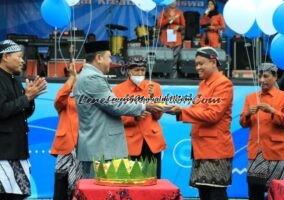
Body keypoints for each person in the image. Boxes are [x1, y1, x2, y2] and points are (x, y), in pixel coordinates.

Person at [73, 41, 162, 178]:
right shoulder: (92, 78)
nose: (111, 62)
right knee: (99, 192)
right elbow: (114, 105)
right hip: (100, 147)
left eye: (142, 70)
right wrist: (144, 106)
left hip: (101, 147)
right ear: (99, 58)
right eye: (109, 57)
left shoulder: (88, 76)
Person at [168, 47, 234, 200]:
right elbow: (198, 110)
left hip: (216, 150)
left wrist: (182, 111)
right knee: (204, 194)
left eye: (200, 64)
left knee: (216, 194)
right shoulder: (204, 84)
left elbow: (213, 115)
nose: (197, 67)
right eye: (196, 64)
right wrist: (174, 110)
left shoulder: (224, 84)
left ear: (213, 62)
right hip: (201, 148)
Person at [240, 63, 284, 200]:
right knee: (254, 194)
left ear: (275, 77)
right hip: (255, 153)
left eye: (265, 76)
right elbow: (242, 123)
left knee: (277, 194)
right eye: (259, 76)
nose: (261, 80)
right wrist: (247, 114)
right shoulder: (250, 97)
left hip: (275, 153)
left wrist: (272, 111)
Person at [0, 40, 47, 199]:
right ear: (6, 56)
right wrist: (27, 96)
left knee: (19, 196)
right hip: (4, 154)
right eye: (19, 57)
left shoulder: (14, 79)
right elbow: (2, 110)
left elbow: (21, 113)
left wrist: (30, 98)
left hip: (17, 150)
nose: (22, 61)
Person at [113, 56, 166, 178]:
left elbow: (158, 116)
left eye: (142, 70)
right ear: (128, 71)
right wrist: (134, 116)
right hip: (130, 143)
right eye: (136, 70)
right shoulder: (117, 90)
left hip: (152, 142)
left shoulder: (155, 87)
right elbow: (116, 116)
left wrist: (154, 99)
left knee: (153, 182)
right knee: (131, 182)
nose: (140, 73)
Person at [50, 63, 82, 200]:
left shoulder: (92, 97)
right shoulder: (65, 99)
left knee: (81, 190)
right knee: (61, 191)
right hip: (65, 148)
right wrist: (71, 78)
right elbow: (58, 99)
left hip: (84, 149)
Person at [157, 1, 185, 78]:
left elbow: (183, 25)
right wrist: (168, 20)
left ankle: (174, 78)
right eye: (171, 1)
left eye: (175, 1)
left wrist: (179, 27)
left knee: (175, 59)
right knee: (165, 58)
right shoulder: (164, 12)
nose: (173, 2)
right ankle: (164, 75)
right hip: (165, 38)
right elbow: (159, 24)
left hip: (176, 38)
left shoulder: (179, 12)